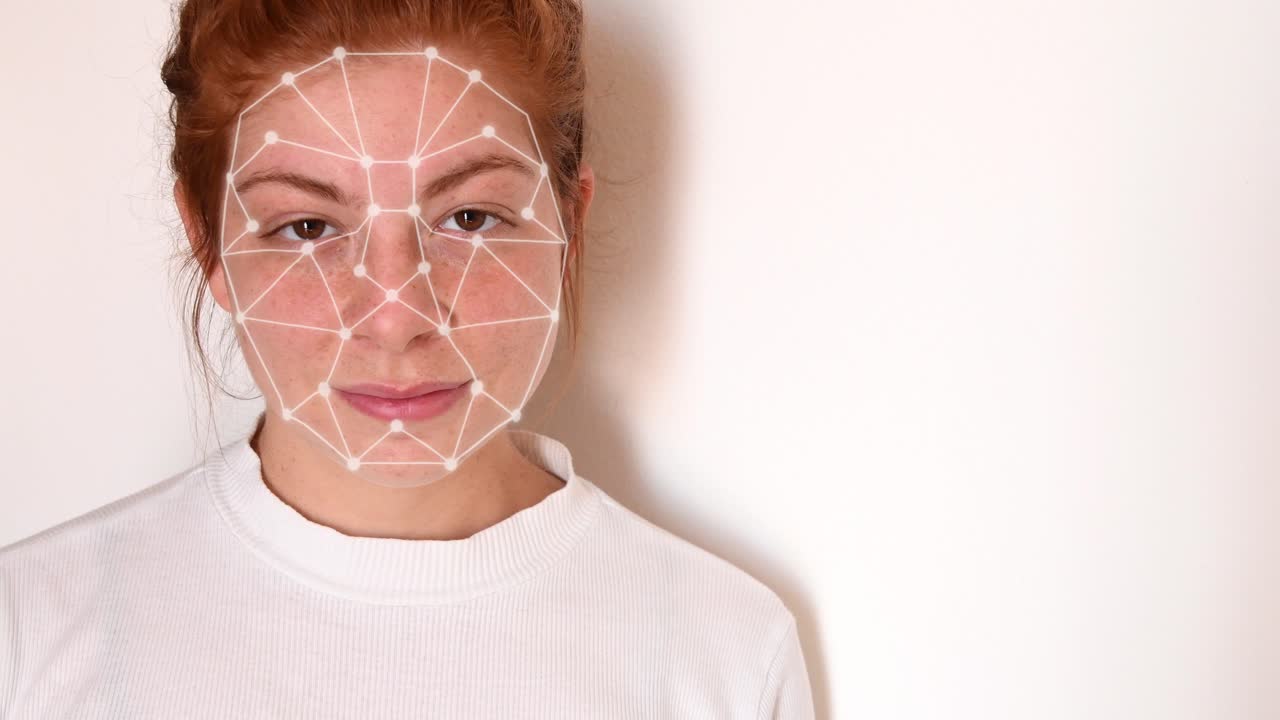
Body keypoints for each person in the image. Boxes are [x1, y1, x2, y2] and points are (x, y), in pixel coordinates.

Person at [0, 0, 816, 717]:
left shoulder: (725, 657)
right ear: (207, 240)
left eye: (470, 217)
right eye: (308, 227)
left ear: (569, 223)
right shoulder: (29, 632)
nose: (396, 320)